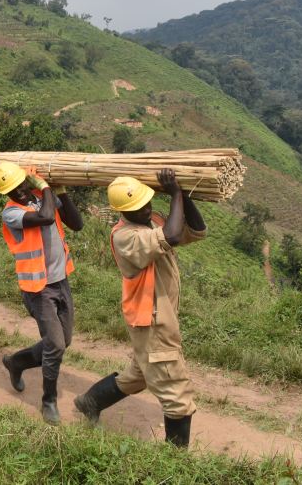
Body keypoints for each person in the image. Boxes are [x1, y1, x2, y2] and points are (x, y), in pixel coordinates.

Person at [74, 171, 206, 449]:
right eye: (139, 207)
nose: (147, 209)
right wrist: (175, 194)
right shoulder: (126, 236)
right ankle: (175, 463)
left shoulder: (150, 221)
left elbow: (195, 231)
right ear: (124, 211)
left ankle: (89, 402)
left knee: (137, 376)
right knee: (176, 393)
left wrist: (185, 194)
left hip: (157, 314)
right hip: (152, 318)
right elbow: (170, 234)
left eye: (148, 202)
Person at [0, 161, 83, 425]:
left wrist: (62, 192)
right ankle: (49, 401)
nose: (21, 191)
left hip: (60, 282)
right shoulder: (11, 213)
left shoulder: (40, 199)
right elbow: (45, 217)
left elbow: (76, 224)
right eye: (14, 190)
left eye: (23, 184)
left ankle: (17, 362)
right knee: (55, 345)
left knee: (62, 342)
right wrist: (44, 186)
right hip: (38, 288)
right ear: (6, 194)